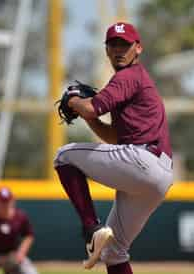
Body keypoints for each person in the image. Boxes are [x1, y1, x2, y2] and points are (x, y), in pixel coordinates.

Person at [54, 22, 174, 274]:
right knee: (114, 252)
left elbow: (89, 106)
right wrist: (89, 116)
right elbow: (113, 137)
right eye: (113, 45)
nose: (119, 50)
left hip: (144, 160)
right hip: (157, 175)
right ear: (107, 50)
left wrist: (73, 99)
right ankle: (97, 233)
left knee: (63, 157)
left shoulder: (128, 75)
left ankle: (91, 227)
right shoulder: (135, 80)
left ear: (138, 48)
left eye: (125, 45)